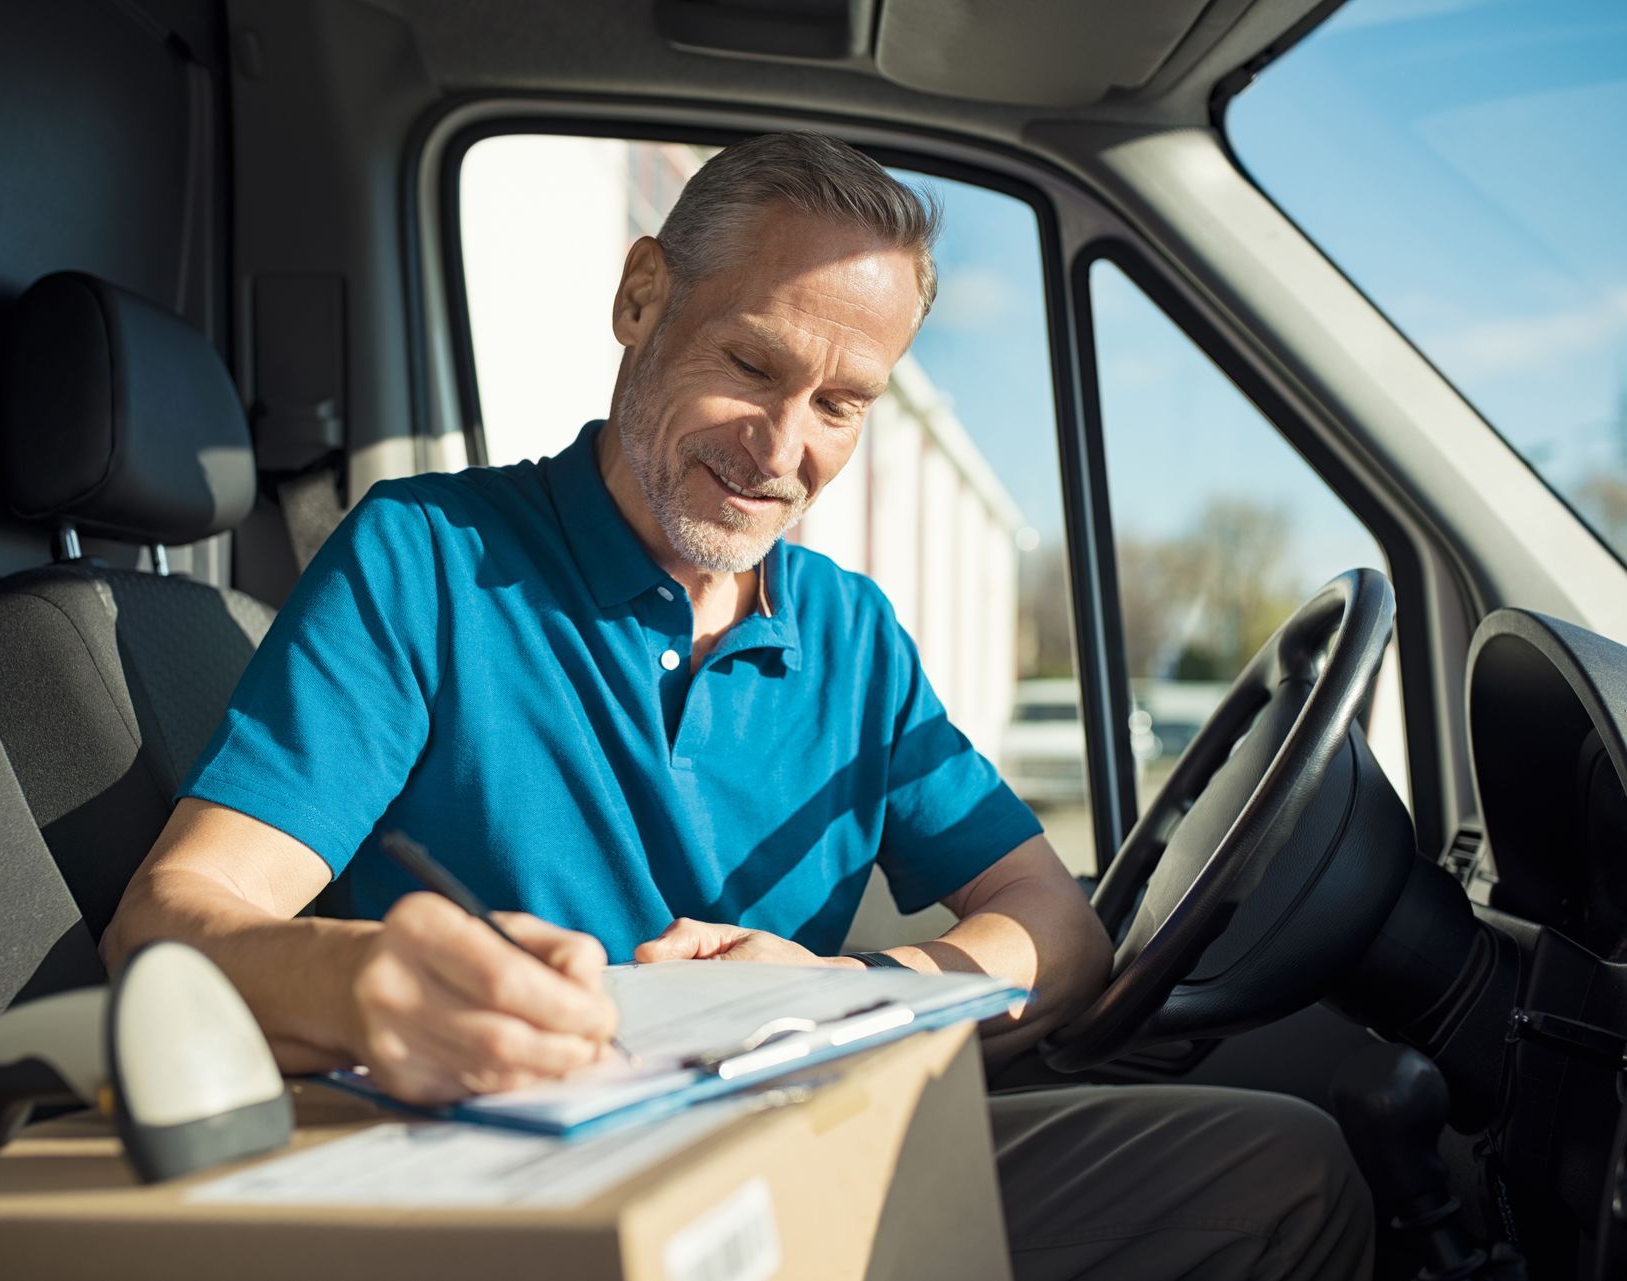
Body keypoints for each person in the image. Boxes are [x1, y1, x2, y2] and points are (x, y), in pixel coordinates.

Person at [101, 132, 1372, 1279]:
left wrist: (842, 995)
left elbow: (1060, 932)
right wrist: (361, 979)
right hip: (526, 1198)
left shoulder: (853, 635)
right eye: (751, 364)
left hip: (819, 1153)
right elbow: (166, 922)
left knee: (1288, 1165)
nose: (782, 448)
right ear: (642, 298)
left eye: (842, 404)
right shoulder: (421, 561)